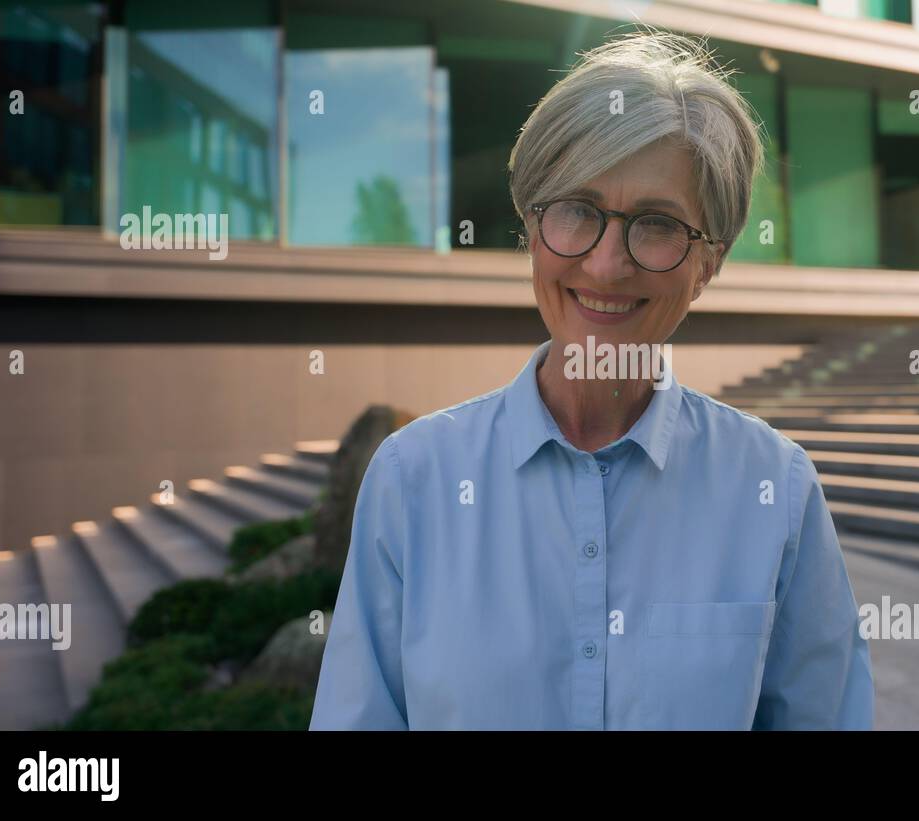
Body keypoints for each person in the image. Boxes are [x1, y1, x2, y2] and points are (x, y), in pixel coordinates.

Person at [310, 29, 873, 730]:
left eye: (657, 224)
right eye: (576, 210)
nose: (607, 266)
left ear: (710, 263)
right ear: (531, 227)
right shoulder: (411, 480)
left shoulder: (777, 492)